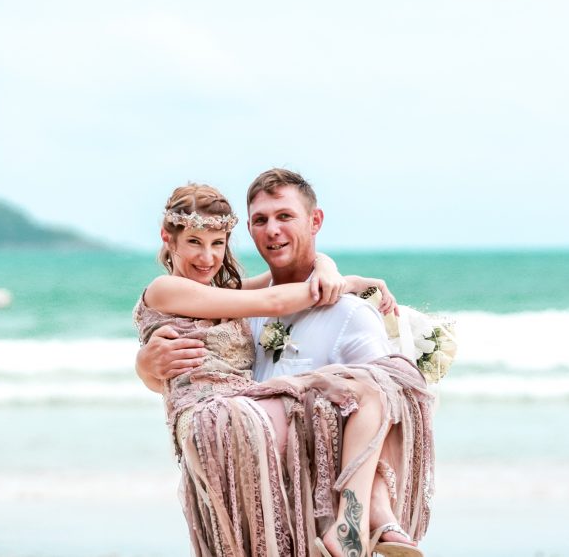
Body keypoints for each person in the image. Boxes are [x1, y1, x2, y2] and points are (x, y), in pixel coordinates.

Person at [137, 172, 433, 557]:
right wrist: (146, 366)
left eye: (217, 244)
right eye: (193, 242)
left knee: (377, 388)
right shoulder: (169, 289)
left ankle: (361, 516)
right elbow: (276, 300)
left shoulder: (220, 295)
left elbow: (271, 285)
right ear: (168, 239)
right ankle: (359, 520)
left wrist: (335, 272)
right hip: (219, 417)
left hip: (242, 412)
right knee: (370, 387)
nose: (207, 257)